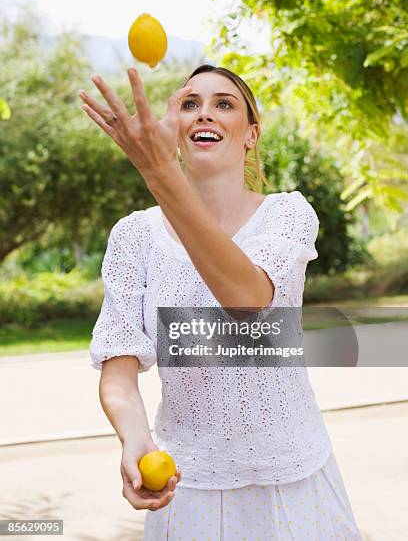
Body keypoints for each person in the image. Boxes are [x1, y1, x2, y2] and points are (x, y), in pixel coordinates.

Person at [80, 64, 363, 540]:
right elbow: (119, 368)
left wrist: (158, 172)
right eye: (189, 104)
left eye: (223, 103)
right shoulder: (134, 236)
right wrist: (135, 438)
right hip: (188, 490)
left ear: (250, 135)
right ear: (175, 128)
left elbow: (246, 300)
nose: (204, 113)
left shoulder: (288, 214)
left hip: (293, 482)